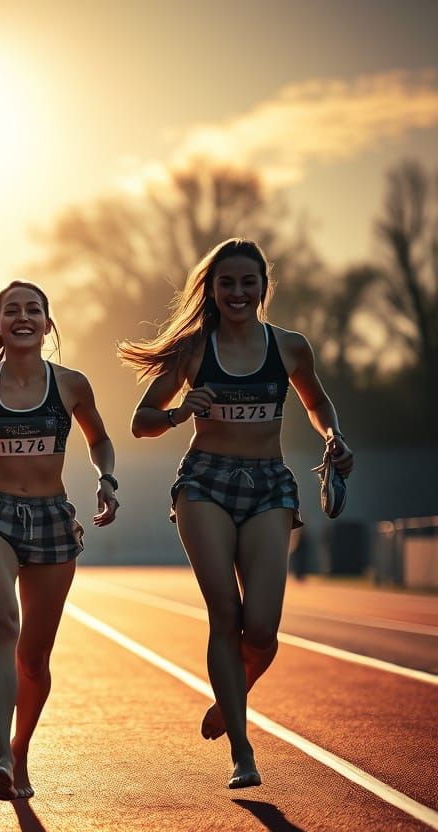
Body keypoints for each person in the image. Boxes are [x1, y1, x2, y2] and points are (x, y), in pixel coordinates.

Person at [119, 238, 354, 789]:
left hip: (270, 487)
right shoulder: (195, 352)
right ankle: (243, 753)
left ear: (263, 288)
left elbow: (318, 403)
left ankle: (229, 700)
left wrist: (333, 435)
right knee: (224, 613)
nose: (238, 292)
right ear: (213, 289)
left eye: (248, 282)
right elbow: (140, 419)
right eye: (227, 283)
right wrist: (179, 413)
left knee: (264, 631)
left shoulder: (291, 347)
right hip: (205, 484)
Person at [0, 281, 119, 800]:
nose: (23, 316)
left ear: (47, 323)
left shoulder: (72, 384)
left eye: (33, 309)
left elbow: (100, 439)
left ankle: (19, 753)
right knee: (2, 621)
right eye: (11, 310)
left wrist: (105, 477)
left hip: (52, 518)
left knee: (34, 658)